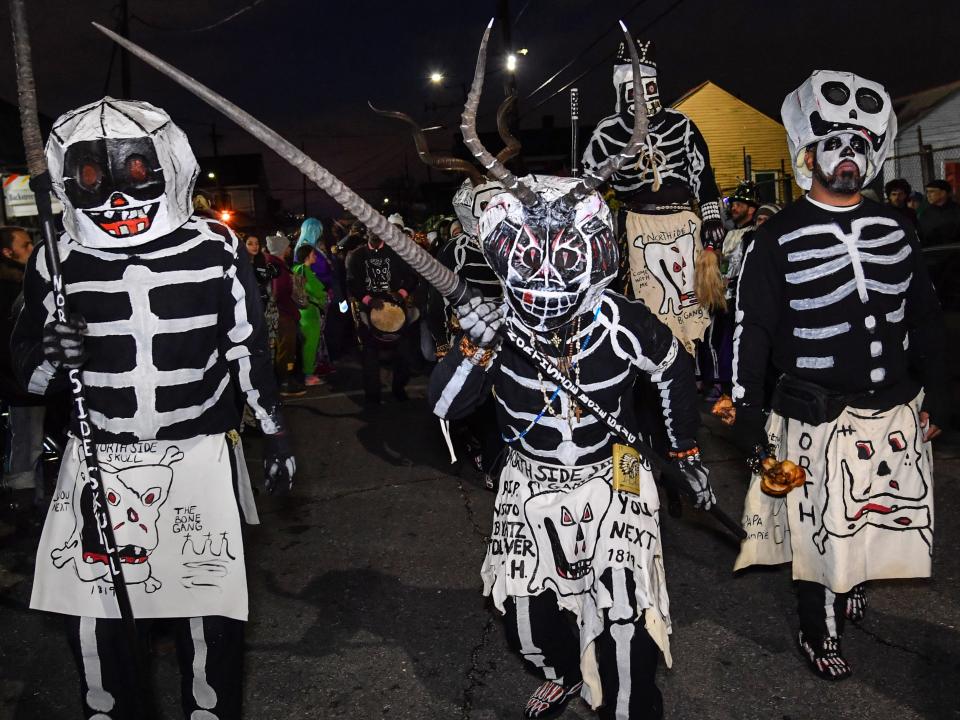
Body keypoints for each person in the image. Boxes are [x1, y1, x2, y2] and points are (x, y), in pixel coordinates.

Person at [431, 33, 713, 720]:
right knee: (525, 622)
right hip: (528, 481)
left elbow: (674, 372)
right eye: (533, 255)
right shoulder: (495, 324)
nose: (549, 275)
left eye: (566, 253)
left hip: (611, 471)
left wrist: (683, 453)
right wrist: (475, 349)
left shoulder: (621, 318)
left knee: (622, 623)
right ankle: (559, 669)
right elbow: (442, 408)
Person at [12, 97, 295, 718]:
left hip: (198, 461)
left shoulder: (217, 247)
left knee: (208, 614)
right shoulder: (54, 258)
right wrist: (54, 355)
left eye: (136, 171)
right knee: (96, 623)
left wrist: (275, 431)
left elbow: (247, 348)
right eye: (91, 178)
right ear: (67, 181)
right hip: (98, 460)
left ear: (168, 163)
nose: (116, 197)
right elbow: (26, 380)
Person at [731, 71, 946, 682]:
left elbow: (925, 318)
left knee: (876, 510)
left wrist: (943, 396)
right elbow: (754, 330)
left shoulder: (899, 228)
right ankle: (816, 628)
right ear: (808, 155)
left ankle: (852, 581)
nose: (849, 157)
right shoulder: (774, 238)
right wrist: (747, 412)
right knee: (817, 528)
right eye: (835, 145)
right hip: (815, 410)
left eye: (860, 146)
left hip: (892, 405)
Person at [582, 38, 727, 356]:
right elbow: (589, 184)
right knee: (643, 307)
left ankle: (698, 375)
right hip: (636, 226)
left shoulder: (682, 125)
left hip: (684, 224)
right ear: (621, 91)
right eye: (633, 89)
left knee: (696, 309)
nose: (642, 96)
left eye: (648, 87)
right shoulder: (608, 132)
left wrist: (713, 216)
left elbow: (702, 175)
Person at [0, 226, 45, 524]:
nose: (31, 249)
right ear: (8, 252)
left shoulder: (25, 281)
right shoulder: (11, 287)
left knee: (32, 438)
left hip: (29, 377)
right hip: (19, 379)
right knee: (27, 439)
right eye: (25, 245)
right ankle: (23, 499)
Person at [700, 182, 760, 400]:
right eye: (733, 203)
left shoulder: (753, 235)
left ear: (751, 209)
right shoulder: (728, 233)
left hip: (738, 299)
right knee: (713, 341)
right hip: (721, 297)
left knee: (736, 343)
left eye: (739, 204)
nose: (733, 207)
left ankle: (731, 385)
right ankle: (716, 383)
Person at [345, 229, 417, 404]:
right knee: (370, 356)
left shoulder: (396, 253)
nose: (375, 234)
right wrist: (369, 300)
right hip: (369, 309)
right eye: (371, 231)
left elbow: (412, 277)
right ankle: (373, 395)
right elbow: (352, 283)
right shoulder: (358, 255)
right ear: (367, 233)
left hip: (395, 308)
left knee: (404, 354)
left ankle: (399, 388)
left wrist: (401, 292)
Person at [265, 231, 304, 396]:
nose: (290, 249)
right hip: (284, 314)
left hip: (282, 313)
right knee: (286, 349)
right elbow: (279, 293)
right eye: (287, 246)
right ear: (282, 249)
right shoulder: (279, 268)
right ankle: (284, 382)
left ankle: (284, 379)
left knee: (285, 348)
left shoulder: (273, 265)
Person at [292, 244, 328, 386]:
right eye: (313, 254)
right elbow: (317, 291)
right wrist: (324, 295)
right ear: (307, 256)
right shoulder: (305, 270)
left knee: (303, 343)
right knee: (310, 344)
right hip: (310, 311)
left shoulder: (295, 269)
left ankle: (303, 372)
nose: (315, 256)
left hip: (300, 310)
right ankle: (308, 375)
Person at [917, 179, 960, 247]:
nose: (928, 195)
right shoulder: (926, 213)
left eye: (932, 192)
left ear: (943, 193)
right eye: (927, 192)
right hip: (932, 253)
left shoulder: (957, 211)